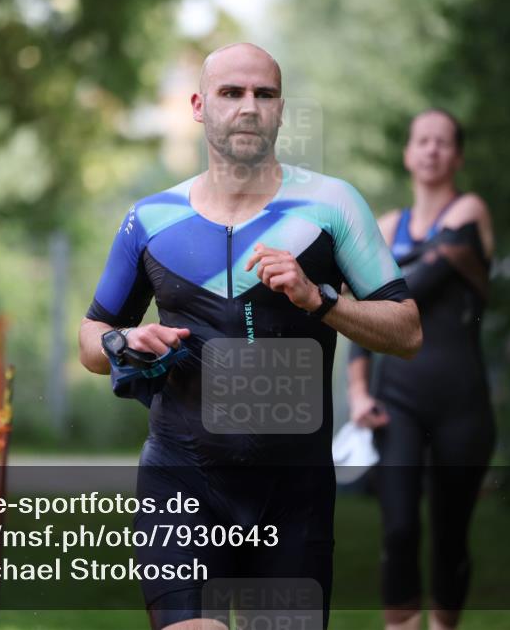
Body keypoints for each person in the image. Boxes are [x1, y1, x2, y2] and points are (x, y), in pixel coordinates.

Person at [79, 43, 422, 630]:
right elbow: (93, 334)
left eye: (264, 94)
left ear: (281, 110)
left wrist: (320, 299)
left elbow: (407, 329)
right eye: (231, 93)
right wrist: (124, 342)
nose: (248, 107)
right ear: (198, 105)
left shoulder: (331, 206)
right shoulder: (151, 219)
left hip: (293, 493)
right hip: (181, 479)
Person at [346, 109, 495, 630]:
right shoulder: (386, 225)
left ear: (455, 156)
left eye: (443, 142)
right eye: (422, 141)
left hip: (462, 402)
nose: (431, 149)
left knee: (450, 534)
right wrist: (359, 393)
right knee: (399, 529)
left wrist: (346, 293)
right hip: (399, 402)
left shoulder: (469, 211)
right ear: (408, 153)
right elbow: (363, 323)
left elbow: (412, 287)